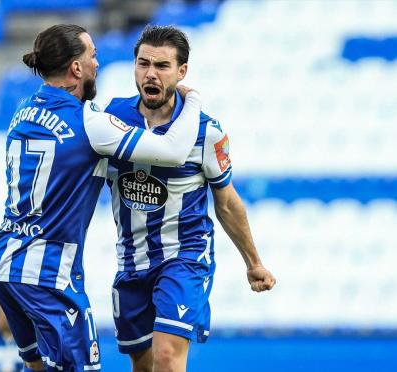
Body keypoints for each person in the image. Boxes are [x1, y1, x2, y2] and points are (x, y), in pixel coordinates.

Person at [0, 24, 204, 372]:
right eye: (92, 56)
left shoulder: (23, 110)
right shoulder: (89, 122)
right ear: (76, 68)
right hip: (49, 274)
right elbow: (174, 150)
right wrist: (191, 99)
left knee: (39, 368)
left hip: (4, 265)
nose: (97, 64)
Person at [102, 25, 276, 372]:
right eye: (143, 63)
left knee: (167, 357)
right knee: (144, 363)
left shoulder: (206, 131)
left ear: (182, 72)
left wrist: (253, 262)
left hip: (184, 257)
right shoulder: (111, 119)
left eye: (162, 66)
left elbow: (226, 202)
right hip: (131, 261)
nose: (150, 73)